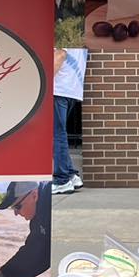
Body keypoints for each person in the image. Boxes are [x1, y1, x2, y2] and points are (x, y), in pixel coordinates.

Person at [0, 181, 53, 277]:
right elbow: (34, 251)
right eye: (13, 208)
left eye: (17, 206)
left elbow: (42, 256)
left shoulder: (53, 200)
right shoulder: (39, 214)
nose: (15, 213)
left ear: (34, 195)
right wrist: (3, 274)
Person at [53, 48, 86, 194]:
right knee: (60, 134)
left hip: (58, 89)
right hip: (72, 90)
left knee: (57, 135)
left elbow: (59, 55)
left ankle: (62, 180)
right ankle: (71, 175)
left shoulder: (63, 34)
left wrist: (42, 83)